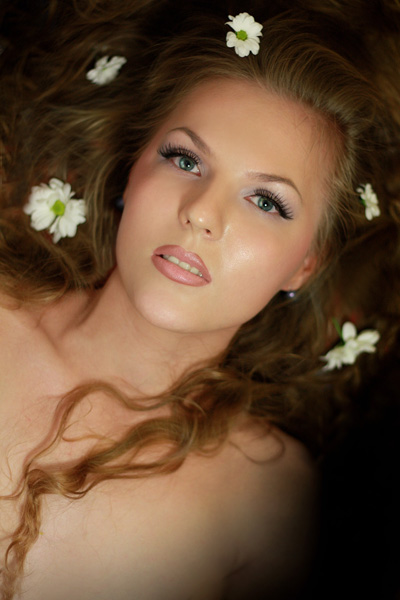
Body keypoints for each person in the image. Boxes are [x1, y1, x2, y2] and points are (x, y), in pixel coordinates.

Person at [0, 1, 399, 598]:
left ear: (306, 263)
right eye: (185, 160)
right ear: (132, 170)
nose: (202, 214)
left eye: (266, 202)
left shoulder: (267, 497)